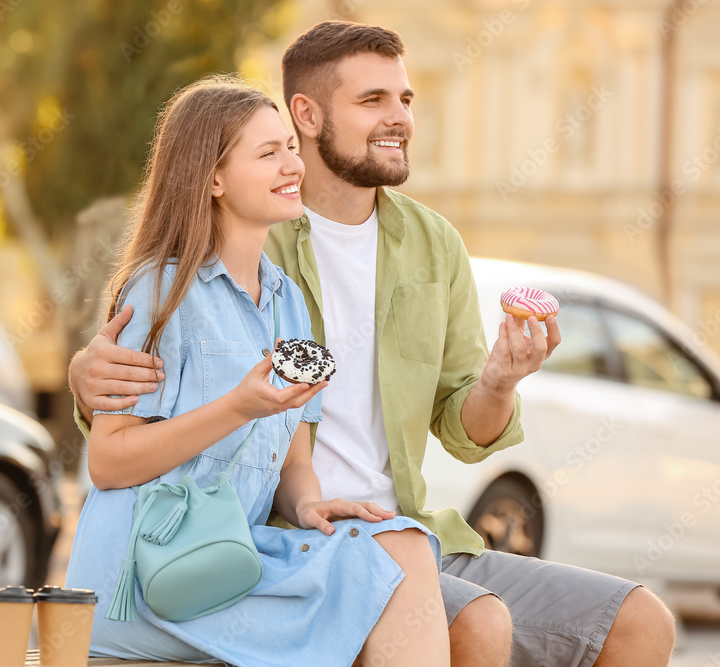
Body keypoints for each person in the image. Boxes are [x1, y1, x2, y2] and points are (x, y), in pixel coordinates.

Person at [69, 23, 677, 667]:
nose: (400, 119)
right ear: (307, 114)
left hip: (397, 525)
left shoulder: (399, 255)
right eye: (373, 101)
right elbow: (133, 396)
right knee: (475, 623)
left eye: (405, 100)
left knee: (639, 623)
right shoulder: (242, 244)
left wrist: (501, 380)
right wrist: (88, 371)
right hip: (246, 544)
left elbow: (460, 431)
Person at [64, 76, 451, 666]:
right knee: (376, 590)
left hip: (232, 557)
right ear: (212, 179)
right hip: (146, 577)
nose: (291, 164)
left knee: (405, 545)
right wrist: (235, 408)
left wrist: (308, 507)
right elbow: (109, 461)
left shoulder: (289, 302)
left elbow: (295, 463)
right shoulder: (159, 291)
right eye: (267, 153)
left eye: (289, 148)